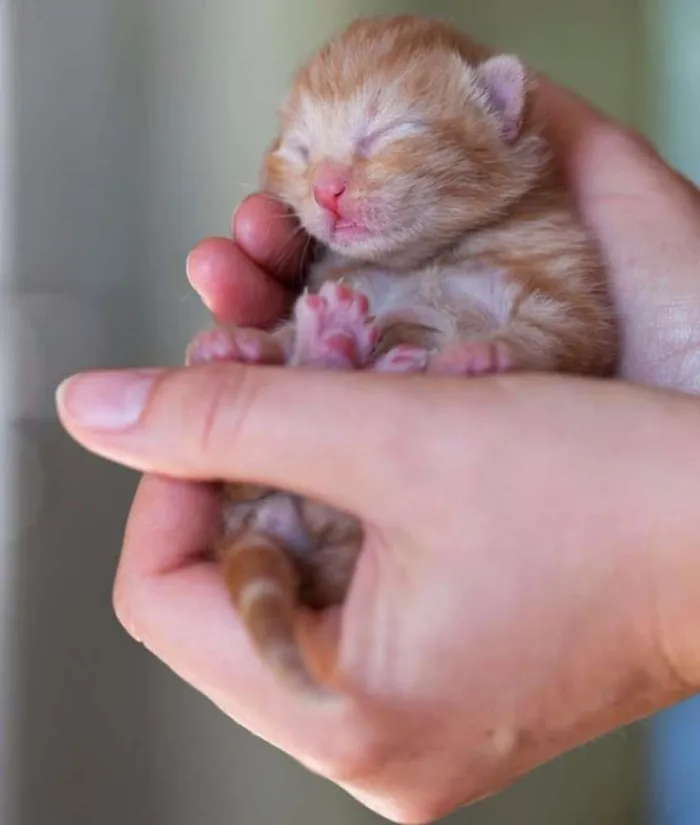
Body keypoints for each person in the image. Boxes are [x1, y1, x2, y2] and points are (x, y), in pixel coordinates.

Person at [55, 72, 700, 824]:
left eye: (383, 140)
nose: (326, 185)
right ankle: (281, 501)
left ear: (499, 114)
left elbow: (572, 332)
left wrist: (653, 590)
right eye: (299, 149)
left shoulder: (542, 234)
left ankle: (292, 503)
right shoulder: (349, 269)